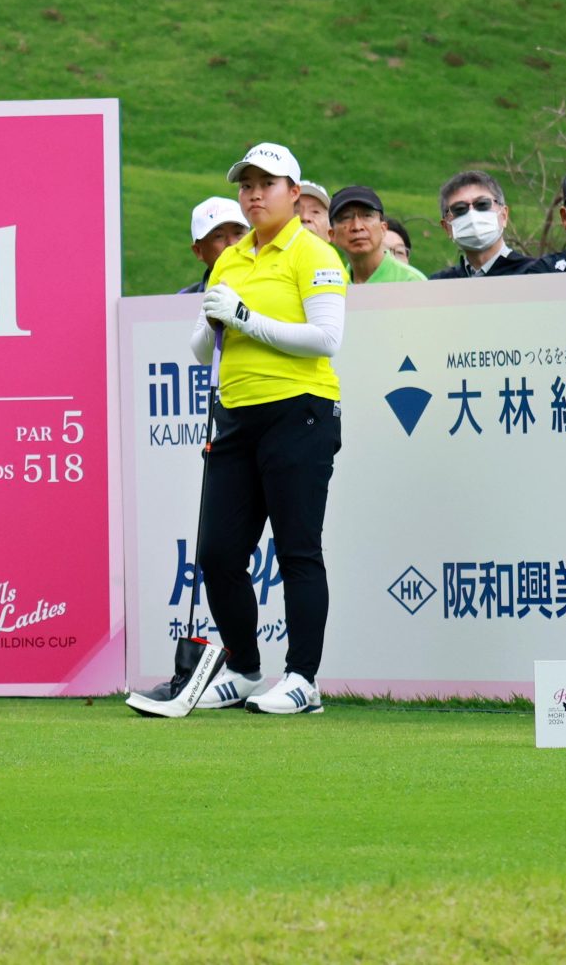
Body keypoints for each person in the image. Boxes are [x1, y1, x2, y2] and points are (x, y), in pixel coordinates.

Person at [135, 140, 344, 720]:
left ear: (293, 193)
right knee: (218, 552)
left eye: (266, 184)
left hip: (300, 412)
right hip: (236, 417)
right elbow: (204, 351)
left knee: (297, 549)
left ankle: (302, 679)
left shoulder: (314, 253)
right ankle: (245, 669)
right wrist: (214, 320)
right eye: (246, 185)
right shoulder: (229, 260)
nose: (254, 194)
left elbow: (327, 339)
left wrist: (246, 317)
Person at [432, 169, 527, 278]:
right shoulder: (438, 283)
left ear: (504, 216)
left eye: (482, 204)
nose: (472, 214)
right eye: (459, 208)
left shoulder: (536, 273)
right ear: (446, 228)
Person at [329, 185, 422, 283]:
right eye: (346, 217)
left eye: (367, 216)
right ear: (332, 235)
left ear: (383, 229)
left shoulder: (410, 281)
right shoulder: (333, 284)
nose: (357, 226)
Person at [180, 197, 249, 293]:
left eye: (238, 233)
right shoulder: (184, 298)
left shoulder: (270, 287)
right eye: (219, 236)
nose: (232, 244)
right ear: (198, 251)